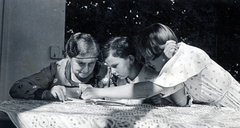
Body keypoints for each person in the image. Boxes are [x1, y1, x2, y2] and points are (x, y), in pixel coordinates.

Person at [82, 23, 240, 108]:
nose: (148, 64)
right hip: (222, 108)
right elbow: (179, 99)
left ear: (162, 52)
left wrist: (97, 92)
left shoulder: (186, 58)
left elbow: (147, 89)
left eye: (148, 58)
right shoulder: (176, 64)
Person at [9, 32, 111, 101]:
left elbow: (123, 97)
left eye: (91, 63)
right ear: (69, 57)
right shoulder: (56, 70)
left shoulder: (104, 72)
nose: (86, 69)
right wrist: (46, 93)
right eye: (81, 63)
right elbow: (16, 89)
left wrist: (101, 93)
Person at [101, 36, 172, 105]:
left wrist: (163, 101)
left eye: (115, 66)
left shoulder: (154, 78)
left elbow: (175, 100)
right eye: (110, 67)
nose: (112, 71)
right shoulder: (120, 80)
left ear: (131, 59)